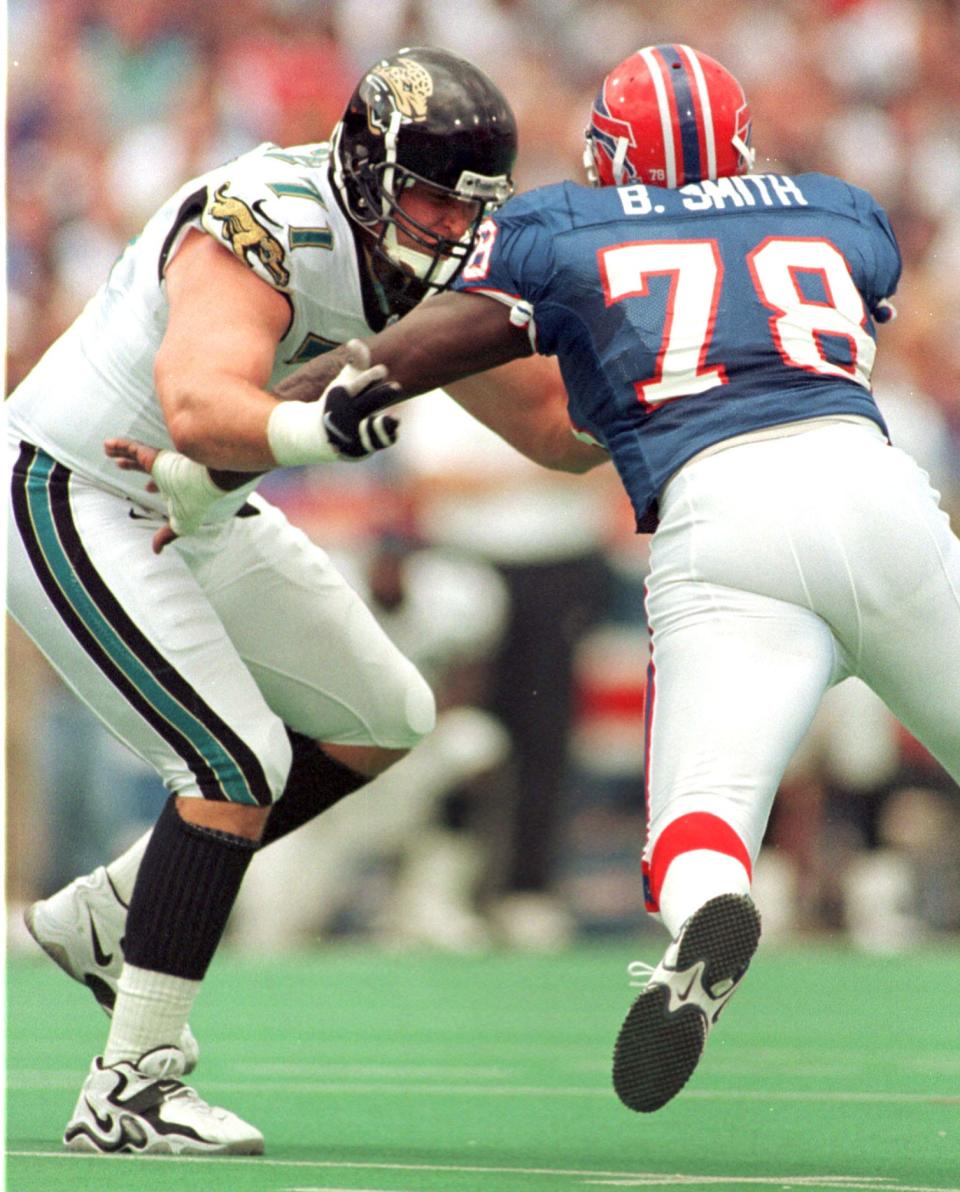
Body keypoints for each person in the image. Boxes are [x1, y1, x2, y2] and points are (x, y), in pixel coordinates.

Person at [131, 43, 960, 1115]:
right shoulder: (839, 210)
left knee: (697, 826)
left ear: (609, 152)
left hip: (721, 523)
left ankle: (707, 921)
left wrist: (217, 454)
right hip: (876, 490)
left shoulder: (566, 227)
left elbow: (414, 353)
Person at [7, 46, 605, 1156]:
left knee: (385, 712)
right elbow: (197, 405)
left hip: (192, 511)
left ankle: (109, 914)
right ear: (370, 171)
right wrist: (308, 429)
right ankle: (127, 1091)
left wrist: (683, 385)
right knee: (234, 762)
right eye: (430, 196)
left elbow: (553, 431)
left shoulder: (428, 255)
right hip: (75, 487)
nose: (446, 226)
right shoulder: (270, 212)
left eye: (469, 206)